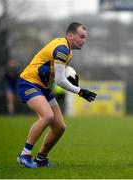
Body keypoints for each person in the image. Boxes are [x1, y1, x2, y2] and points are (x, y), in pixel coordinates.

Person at [17, 22, 97, 168]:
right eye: (81, 37)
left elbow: (57, 72)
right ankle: (24, 154)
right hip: (29, 82)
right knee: (47, 116)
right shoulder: (62, 48)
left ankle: (41, 158)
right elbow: (60, 80)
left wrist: (69, 73)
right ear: (70, 36)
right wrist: (80, 91)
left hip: (44, 88)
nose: (84, 40)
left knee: (60, 127)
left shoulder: (67, 50)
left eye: (85, 37)